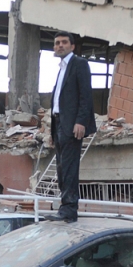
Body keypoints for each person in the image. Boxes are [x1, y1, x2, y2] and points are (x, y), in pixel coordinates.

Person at [47, 32, 96, 223]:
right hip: (59, 124)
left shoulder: (79, 64)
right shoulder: (61, 69)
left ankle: (69, 209)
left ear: (72, 46)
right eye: (57, 43)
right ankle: (64, 207)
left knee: (69, 167)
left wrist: (81, 121)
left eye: (64, 42)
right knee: (60, 167)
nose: (60, 45)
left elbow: (86, 95)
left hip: (71, 124)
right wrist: (52, 131)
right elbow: (58, 102)